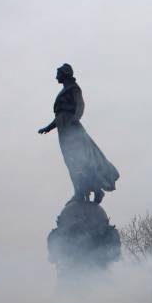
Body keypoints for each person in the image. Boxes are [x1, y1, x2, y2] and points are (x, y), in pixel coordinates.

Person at [38, 63, 119, 204]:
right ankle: (80, 192)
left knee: (80, 160)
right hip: (63, 130)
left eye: (58, 74)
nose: (56, 77)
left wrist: (76, 118)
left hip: (71, 128)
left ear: (64, 74)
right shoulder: (63, 91)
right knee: (71, 162)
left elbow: (80, 104)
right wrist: (48, 128)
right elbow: (60, 116)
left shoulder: (73, 88)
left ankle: (92, 189)